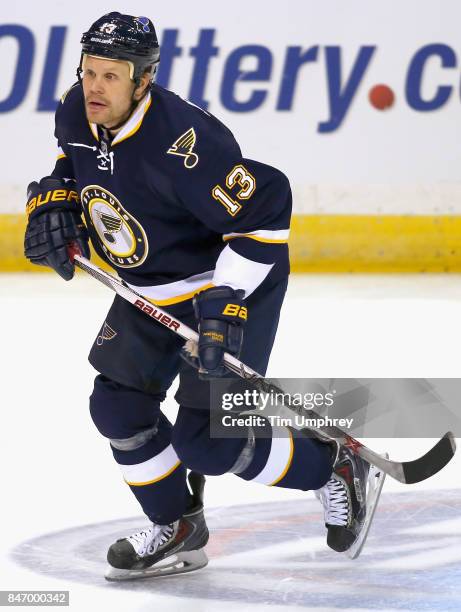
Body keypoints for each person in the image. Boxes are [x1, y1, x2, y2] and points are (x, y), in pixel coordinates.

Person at [24, 12, 369, 580]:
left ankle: (333, 466)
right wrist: (53, 201)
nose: (94, 87)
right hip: (149, 289)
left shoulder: (186, 145)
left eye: (112, 75)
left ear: (143, 79)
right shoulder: (76, 110)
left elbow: (266, 210)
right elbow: (72, 162)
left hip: (227, 285)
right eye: (89, 71)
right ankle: (179, 527)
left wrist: (225, 300)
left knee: (208, 443)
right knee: (116, 406)